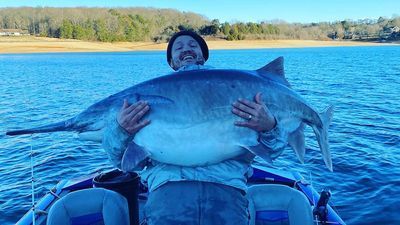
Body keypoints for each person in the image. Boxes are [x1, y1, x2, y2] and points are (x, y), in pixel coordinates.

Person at [102, 30, 286, 225]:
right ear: (171, 62)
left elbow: (273, 151)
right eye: (178, 47)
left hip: (226, 190)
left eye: (192, 45)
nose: (186, 49)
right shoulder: (146, 100)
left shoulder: (237, 89)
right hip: (169, 191)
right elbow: (122, 162)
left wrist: (270, 126)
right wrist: (120, 130)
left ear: (203, 56)